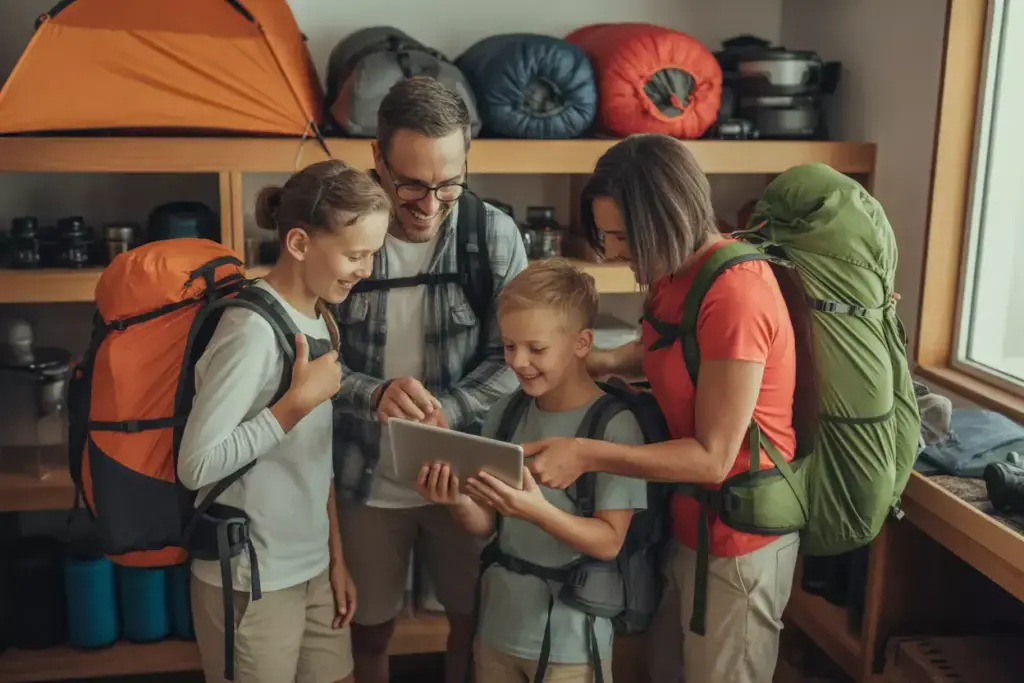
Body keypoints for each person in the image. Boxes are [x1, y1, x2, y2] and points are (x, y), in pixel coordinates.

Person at [522, 134, 808, 683]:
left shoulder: (737, 295)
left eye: (624, 236)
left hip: (738, 541)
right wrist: (601, 362)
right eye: (605, 235)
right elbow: (671, 349)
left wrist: (585, 453)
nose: (614, 252)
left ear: (667, 221)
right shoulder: (675, 277)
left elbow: (712, 459)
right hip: (687, 525)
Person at [331, 76, 529, 683]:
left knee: (472, 626)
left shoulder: (492, 234)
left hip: (466, 473)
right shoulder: (338, 234)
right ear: (376, 159)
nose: (428, 203)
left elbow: (515, 359)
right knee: (368, 632)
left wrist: (451, 407)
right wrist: (374, 393)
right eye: (411, 183)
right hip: (363, 476)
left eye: (449, 183)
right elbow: (302, 358)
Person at [178, 160, 391, 683]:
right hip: (250, 580)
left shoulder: (320, 316)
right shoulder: (249, 329)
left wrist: (334, 559)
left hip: (312, 569)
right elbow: (197, 465)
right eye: (355, 254)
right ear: (298, 242)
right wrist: (293, 405)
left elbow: (314, 462)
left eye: (372, 254)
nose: (366, 269)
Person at [416, 259, 647, 683]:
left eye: (536, 349)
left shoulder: (613, 426)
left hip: (572, 645)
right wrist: (457, 499)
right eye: (509, 346)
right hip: (497, 632)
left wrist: (536, 510)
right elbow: (486, 524)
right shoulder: (505, 412)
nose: (518, 362)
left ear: (582, 343)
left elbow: (609, 542)